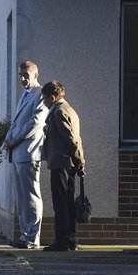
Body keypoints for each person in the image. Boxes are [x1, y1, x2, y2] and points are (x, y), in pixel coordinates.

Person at [4, 61, 47, 249]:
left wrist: (15, 140)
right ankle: (24, 235)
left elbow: (35, 122)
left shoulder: (40, 94)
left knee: (31, 197)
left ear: (36, 75)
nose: (22, 79)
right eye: (20, 75)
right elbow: (16, 122)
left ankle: (32, 237)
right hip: (17, 153)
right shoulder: (25, 95)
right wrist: (7, 139)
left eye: (26, 75)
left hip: (29, 152)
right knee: (21, 198)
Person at [41, 81, 85, 251]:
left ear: (52, 97)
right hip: (69, 162)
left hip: (61, 163)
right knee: (68, 202)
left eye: (45, 98)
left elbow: (71, 140)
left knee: (60, 203)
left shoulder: (59, 112)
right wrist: (80, 162)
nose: (44, 102)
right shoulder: (70, 110)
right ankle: (71, 239)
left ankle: (62, 241)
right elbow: (76, 140)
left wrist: (80, 161)